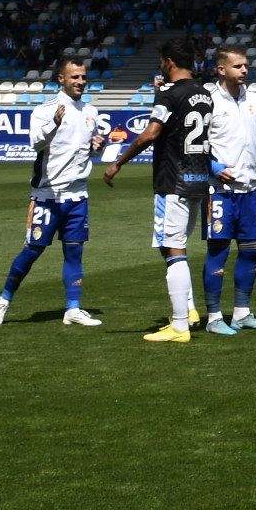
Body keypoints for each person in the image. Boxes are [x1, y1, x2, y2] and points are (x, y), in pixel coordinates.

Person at [101, 37, 213, 342]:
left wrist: (119, 162)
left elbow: (150, 134)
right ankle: (187, 310)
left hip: (172, 181)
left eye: (162, 60)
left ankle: (179, 325)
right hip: (198, 181)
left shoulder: (168, 95)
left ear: (170, 62)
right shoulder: (205, 94)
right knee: (173, 245)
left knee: (173, 247)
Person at [0, 54, 107, 329]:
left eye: (83, 77)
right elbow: (36, 144)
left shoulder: (91, 112)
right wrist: (54, 122)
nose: (80, 81)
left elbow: (83, 150)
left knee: (74, 252)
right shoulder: (45, 110)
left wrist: (95, 146)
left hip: (78, 196)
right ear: (60, 79)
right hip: (47, 196)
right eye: (74, 77)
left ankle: (73, 308)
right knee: (32, 250)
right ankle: (4, 299)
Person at [200, 46, 256, 335]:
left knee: (252, 250)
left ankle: (241, 312)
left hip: (249, 189)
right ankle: (214, 317)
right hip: (219, 191)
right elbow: (193, 145)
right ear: (221, 69)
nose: (245, 70)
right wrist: (212, 167)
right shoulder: (207, 101)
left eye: (246, 65)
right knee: (219, 251)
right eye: (238, 66)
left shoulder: (255, 101)